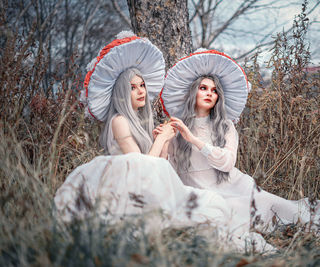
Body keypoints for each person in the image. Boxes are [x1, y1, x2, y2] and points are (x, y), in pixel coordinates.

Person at [53, 33, 238, 244]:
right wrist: (160, 141)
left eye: (142, 85)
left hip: (141, 188)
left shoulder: (140, 122)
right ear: (121, 92)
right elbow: (139, 168)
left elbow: (157, 165)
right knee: (203, 207)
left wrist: (165, 142)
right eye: (132, 88)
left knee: (211, 204)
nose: (140, 91)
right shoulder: (119, 120)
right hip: (125, 190)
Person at [160, 49, 320, 235]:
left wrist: (193, 139)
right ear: (193, 92)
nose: (209, 94)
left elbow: (227, 163)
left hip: (235, 187)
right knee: (223, 218)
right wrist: (164, 141)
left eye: (214, 91)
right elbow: (169, 171)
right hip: (201, 195)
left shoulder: (225, 126)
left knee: (276, 211)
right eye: (203, 88)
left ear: (218, 98)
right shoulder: (177, 127)